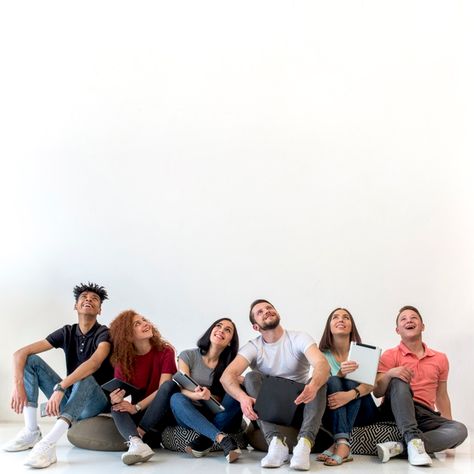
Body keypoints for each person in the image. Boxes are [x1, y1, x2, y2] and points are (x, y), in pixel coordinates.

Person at [3, 282, 113, 469]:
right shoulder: (67, 332)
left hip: (96, 401)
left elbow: (94, 364)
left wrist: (61, 387)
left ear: (100, 310)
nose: (88, 300)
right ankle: (31, 431)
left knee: (85, 377)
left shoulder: (105, 334)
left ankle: (47, 444)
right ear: (75, 305)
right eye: (84, 297)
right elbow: (20, 353)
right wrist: (18, 384)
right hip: (71, 396)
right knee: (31, 361)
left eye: (94, 299)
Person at [221, 299, 329, 471]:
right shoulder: (254, 346)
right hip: (271, 410)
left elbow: (322, 364)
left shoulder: (299, 337)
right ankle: (276, 443)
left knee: (320, 379)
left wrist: (314, 384)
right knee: (250, 377)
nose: (266, 311)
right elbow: (227, 376)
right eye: (260, 312)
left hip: (299, 405)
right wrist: (243, 398)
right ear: (256, 327)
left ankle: (304, 445)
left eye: (269, 308)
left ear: (277, 313)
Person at [374, 305, 467, 466]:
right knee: (399, 378)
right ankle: (412, 439)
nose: (409, 320)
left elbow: (441, 395)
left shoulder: (440, 358)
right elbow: (377, 392)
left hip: (425, 414)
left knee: (460, 430)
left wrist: (448, 432)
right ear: (397, 330)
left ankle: (400, 446)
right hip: (395, 409)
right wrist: (390, 374)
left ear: (422, 326)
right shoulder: (390, 355)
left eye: (413, 317)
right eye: (403, 319)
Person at [108, 310, 177, 465]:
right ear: (127, 335)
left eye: (144, 320)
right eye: (137, 324)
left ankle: (138, 435)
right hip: (140, 415)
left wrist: (136, 407)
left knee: (168, 386)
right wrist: (117, 398)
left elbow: (163, 390)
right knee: (116, 407)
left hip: (162, 414)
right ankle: (137, 443)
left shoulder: (165, 351)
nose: (146, 324)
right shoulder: (123, 360)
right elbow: (120, 392)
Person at [169, 318, 242, 463]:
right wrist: (197, 395)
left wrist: (210, 397)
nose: (221, 330)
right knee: (176, 398)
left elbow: (227, 400)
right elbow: (182, 388)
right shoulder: (188, 355)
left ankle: (204, 440)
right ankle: (222, 438)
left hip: (217, 414)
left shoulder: (230, 365)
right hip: (190, 413)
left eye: (228, 330)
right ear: (211, 331)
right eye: (219, 326)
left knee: (237, 392)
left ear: (230, 342)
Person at [317, 308, 379, 466]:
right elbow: (320, 382)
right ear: (329, 326)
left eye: (346, 318)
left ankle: (340, 442)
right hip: (333, 408)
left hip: (364, 410)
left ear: (351, 326)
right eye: (335, 317)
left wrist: (351, 394)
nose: (341, 320)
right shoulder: (321, 355)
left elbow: (372, 385)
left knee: (352, 382)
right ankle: (342, 442)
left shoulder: (363, 352)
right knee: (333, 381)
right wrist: (340, 373)